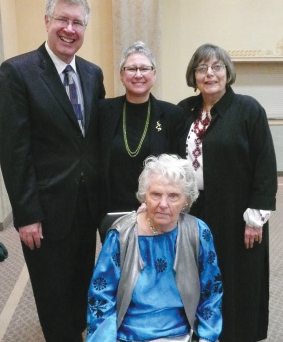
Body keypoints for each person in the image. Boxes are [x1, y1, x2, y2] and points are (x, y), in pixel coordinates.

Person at [0, 0, 105, 342]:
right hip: (43, 209)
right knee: (52, 292)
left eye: (78, 22)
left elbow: (92, 141)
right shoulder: (18, 72)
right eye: (62, 19)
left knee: (80, 281)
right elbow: (15, 151)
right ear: (47, 21)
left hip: (85, 206)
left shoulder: (92, 74)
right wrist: (26, 214)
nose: (70, 29)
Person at [178, 43, 277, 342]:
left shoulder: (248, 109)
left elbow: (265, 165)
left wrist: (255, 217)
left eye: (216, 66)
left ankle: (237, 334)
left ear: (227, 72)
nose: (209, 74)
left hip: (238, 212)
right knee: (196, 273)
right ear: (193, 75)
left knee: (237, 276)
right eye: (201, 68)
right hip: (195, 209)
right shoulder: (183, 110)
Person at [87, 154, 223, 342]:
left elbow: (212, 291)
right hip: (128, 336)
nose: (163, 204)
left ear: (186, 200)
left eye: (174, 196)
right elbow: (101, 297)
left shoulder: (198, 232)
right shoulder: (121, 234)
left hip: (180, 334)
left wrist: (208, 337)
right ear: (144, 196)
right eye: (156, 194)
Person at [99, 41, 185, 240]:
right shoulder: (103, 112)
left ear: (154, 75)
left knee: (156, 266)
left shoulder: (172, 115)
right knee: (118, 266)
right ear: (122, 75)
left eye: (144, 68)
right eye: (131, 69)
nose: (138, 74)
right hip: (113, 210)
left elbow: (179, 167)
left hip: (157, 210)